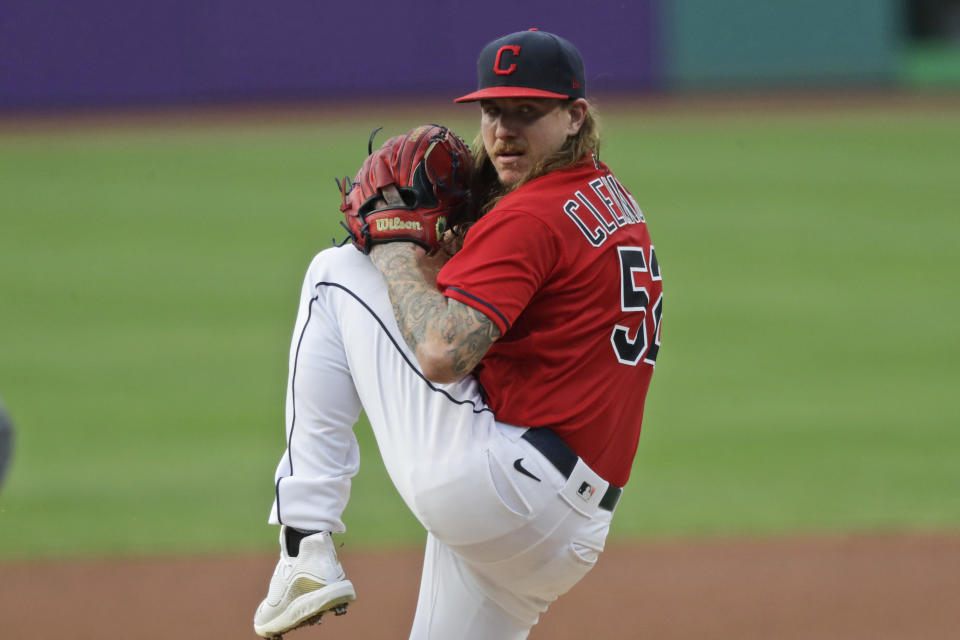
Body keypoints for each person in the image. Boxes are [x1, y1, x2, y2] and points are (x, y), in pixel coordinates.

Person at [254, 29, 663, 640]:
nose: (503, 130)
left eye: (528, 112)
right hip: (568, 531)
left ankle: (304, 545)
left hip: (503, 492)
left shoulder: (528, 216)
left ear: (575, 116)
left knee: (334, 273)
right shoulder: (608, 198)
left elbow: (443, 353)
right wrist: (446, 253)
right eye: (493, 110)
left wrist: (395, 247)